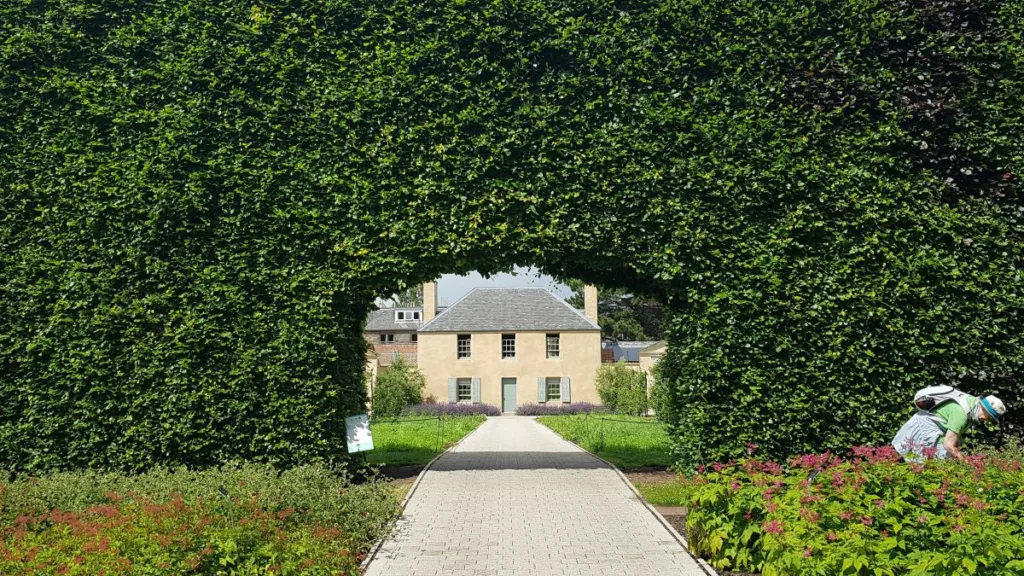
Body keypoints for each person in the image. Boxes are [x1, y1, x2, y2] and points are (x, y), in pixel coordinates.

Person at [892, 392, 1006, 461]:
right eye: (989, 416)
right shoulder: (961, 415)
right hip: (924, 429)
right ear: (983, 409)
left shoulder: (971, 403)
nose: (987, 420)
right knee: (921, 464)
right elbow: (948, 444)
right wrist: (965, 463)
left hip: (926, 425)